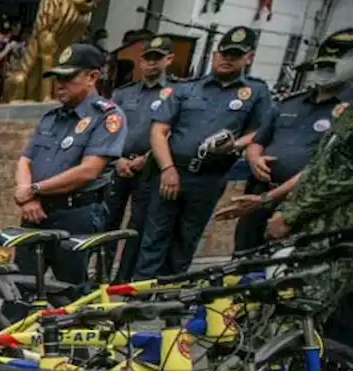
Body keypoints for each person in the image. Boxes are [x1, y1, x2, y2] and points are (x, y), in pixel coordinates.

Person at [134, 26, 270, 278]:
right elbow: (158, 131)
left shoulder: (256, 92)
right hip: (170, 172)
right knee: (154, 237)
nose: (227, 59)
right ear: (214, 55)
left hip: (208, 177)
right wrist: (167, 169)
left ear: (248, 58)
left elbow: (260, 131)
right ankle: (140, 296)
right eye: (224, 53)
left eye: (235, 55)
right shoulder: (188, 88)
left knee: (186, 238)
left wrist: (235, 145)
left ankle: (169, 293)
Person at [218, 28, 354, 254]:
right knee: (243, 256)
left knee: (281, 268)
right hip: (259, 192)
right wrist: (254, 160)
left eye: (331, 67)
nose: (324, 72)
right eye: (320, 65)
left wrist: (269, 198)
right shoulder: (290, 102)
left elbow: (324, 169)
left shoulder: (348, 112)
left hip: (300, 202)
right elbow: (259, 140)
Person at [263, 31, 354, 346]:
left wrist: (292, 213)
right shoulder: (348, 113)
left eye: (338, 59)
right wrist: (288, 211)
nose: (328, 68)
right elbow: (318, 168)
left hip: (338, 238)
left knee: (303, 319)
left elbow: (343, 180)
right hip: (316, 234)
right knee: (297, 316)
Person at [15, 43, 126, 286]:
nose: (60, 85)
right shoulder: (51, 118)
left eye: (68, 77)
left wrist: (34, 189)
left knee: (69, 289)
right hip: (35, 212)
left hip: (75, 215)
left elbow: (89, 171)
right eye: (57, 78)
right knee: (21, 286)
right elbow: (26, 159)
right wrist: (28, 197)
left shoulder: (106, 116)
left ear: (92, 77)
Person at [105, 35, 175, 280]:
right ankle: (100, 279)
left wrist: (148, 157)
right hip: (119, 165)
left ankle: (123, 280)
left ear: (169, 59)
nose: (151, 64)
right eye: (147, 59)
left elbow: (172, 132)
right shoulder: (124, 93)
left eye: (157, 59)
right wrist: (117, 160)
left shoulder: (175, 93)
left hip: (150, 168)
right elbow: (109, 128)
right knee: (107, 223)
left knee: (138, 227)